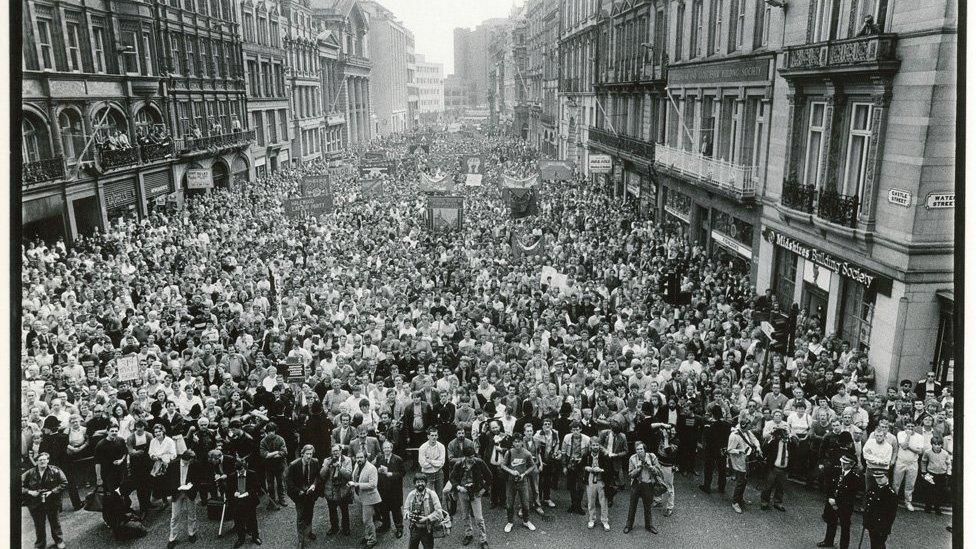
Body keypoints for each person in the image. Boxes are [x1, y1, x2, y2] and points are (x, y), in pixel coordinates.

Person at [22, 452, 68, 549]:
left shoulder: (55, 470)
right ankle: (40, 544)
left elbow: (64, 483)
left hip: (52, 501)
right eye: (40, 460)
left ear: (48, 460)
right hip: (35, 502)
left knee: (55, 522)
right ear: (37, 461)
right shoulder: (29, 472)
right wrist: (30, 492)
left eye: (44, 459)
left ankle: (59, 541)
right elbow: (17, 484)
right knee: (39, 525)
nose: (42, 461)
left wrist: (52, 491)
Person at [449, 445, 492, 549]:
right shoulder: (459, 464)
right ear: (465, 457)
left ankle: (483, 539)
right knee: (465, 516)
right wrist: (459, 487)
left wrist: (483, 490)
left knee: (479, 518)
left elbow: (489, 477)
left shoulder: (479, 462)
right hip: (463, 493)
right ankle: (468, 534)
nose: (471, 459)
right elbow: (452, 478)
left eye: (473, 456)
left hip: (475, 493)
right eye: (469, 457)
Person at [818, 455, 860, 549]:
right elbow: (830, 486)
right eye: (842, 462)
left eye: (845, 463)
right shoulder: (837, 472)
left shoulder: (854, 478)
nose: (843, 464)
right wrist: (830, 498)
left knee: (845, 527)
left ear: (852, 465)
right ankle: (828, 541)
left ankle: (843, 547)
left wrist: (836, 503)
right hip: (832, 502)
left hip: (844, 506)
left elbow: (850, 496)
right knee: (831, 522)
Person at [500, 435, 537, 533]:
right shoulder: (509, 452)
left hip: (523, 482)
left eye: (519, 441)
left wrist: (524, 474)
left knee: (525, 504)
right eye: (515, 442)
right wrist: (511, 472)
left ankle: (526, 521)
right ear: (512, 443)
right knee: (509, 504)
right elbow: (503, 465)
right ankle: (510, 522)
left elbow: (532, 466)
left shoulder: (527, 453)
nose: (517, 444)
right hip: (511, 482)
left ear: (522, 442)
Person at [285, 444, 320, 548]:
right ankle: (301, 540)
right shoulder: (294, 464)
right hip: (299, 495)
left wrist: (314, 485)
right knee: (300, 517)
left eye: (311, 454)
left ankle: (309, 532)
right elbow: (288, 480)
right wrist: (297, 491)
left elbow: (317, 476)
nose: (309, 456)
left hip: (310, 493)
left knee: (309, 513)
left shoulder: (315, 462)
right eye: (307, 454)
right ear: (302, 454)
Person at [727, 412, 762, 514]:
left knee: (744, 481)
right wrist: (740, 451)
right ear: (744, 426)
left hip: (747, 460)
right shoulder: (734, 435)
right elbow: (730, 450)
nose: (750, 429)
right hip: (739, 461)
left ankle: (740, 498)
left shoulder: (747, 431)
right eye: (748, 427)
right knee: (740, 482)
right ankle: (735, 502)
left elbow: (754, 440)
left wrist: (758, 447)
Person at [167, 449, 202, 549]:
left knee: (192, 514)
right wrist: (169, 493)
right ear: (184, 459)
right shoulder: (173, 465)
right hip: (177, 492)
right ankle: (172, 538)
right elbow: (168, 480)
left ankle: (192, 533)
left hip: (189, 492)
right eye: (190, 461)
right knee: (175, 516)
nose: (191, 463)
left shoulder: (195, 464)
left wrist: (193, 486)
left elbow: (198, 478)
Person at [624, 441, 661, 535]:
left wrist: (650, 466)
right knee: (632, 506)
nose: (639, 451)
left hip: (648, 484)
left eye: (641, 449)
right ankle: (629, 525)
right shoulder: (632, 458)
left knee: (648, 506)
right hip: (636, 484)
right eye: (637, 449)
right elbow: (630, 474)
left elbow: (658, 471)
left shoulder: (652, 456)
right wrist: (638, 468)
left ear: (644, 449)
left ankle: (649, 526)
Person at [227, 457, 262, 548]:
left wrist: (248, 492)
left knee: (252, 519)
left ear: (245, 467)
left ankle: (255, 536)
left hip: (249, 500)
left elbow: (257, 487)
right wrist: (234, 492)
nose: (240, 473)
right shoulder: (232, 476)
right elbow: (228, 490)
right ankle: (241, 538)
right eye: (238, 471)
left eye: (242, 470)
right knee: (238, 520)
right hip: (237, 501)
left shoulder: (252, 474)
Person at [374, 441, 406, 538]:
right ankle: (386, 525)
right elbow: (374, 468)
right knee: (384, 509)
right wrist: (377, 470)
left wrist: (392, 474)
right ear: (382, 449)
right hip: (382, 489)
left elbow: (403, 473)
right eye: (385, 448)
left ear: (391, 448)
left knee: (396, 510)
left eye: (388, 447)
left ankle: (399, 528)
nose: (386, 449)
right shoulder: (379, 457)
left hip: (394, 490)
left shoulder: (398, 459)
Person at [319, 443, 353, 536]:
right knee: (332, 510)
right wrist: (328, 465)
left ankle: (346, 528)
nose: (335, 453)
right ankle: (334, 527)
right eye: (333, 451)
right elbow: (321, 475)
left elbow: (349, 475)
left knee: (344, 510)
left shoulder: (347, 460)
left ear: (341, 451)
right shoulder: (327, 460)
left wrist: (340, 467)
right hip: (330, 490)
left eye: (337, 451)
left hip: (343, 490)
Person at [349, 451, 381, 548]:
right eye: (357, 457)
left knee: (367, 520)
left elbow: (373, 485)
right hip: (360, 496)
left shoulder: (371, 468)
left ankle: (372, 540)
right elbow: (355, 477)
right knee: (366, 519)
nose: (359, 459)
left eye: (361, 457)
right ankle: (368, 536)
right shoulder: (357, 465)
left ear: (366, 458)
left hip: (370, 497)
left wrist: (357, 484)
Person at [404, 473, 445, 549]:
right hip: (414, 528)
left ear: (426, 483)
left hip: (427, 528)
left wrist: (427, 518)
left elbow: (439, 511)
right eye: (418, 482)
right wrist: (408, 514)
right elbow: (406, 509)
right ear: (414, 484)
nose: (420, 484)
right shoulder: (411, 495)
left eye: (422, 481)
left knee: (428, 547)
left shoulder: (432, 494)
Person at [863, 471, 898, 548]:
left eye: (881, 478)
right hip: (872, 523)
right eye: (876, 478)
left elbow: (891, 515)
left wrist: (886, 529)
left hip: (881, 526)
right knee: (873, 543)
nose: (878, 480)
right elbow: (868, 507)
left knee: (880, 544)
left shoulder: (891, 494)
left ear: (887, 477)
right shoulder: (873, 489)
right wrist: (866, 521)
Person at [582, 438, 611, 531]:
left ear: (600, 446)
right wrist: (587, 468)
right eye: (593, 445)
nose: (595, 447)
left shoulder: (604, 456)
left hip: (601, 479)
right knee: (591, 500)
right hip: (590, 479)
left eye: (597, 445)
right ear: (590, 446)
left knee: (603, 501)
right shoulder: (586, 455)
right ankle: (591, 519)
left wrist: (601, 470)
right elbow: (581, 466)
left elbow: (610, 470)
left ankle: (605, 520)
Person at [260, 421, 289, 510]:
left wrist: (271, 454)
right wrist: (276, 453)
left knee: (280, 483)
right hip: (269, 466)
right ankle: (271, 501)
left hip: (279, 465)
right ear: (266, 432)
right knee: (270, 485)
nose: (271, 433)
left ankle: (282, 499)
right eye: (269, 431)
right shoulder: (263, 441)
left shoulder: (280, 439)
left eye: (272, 431)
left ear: (275, 431)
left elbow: (284, 452)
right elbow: (264, 454)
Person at [418, 427, 447, 497]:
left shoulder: (441, 446)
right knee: (427, 496)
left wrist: (430, 461)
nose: (434, 437)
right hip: (427, 474)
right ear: (428, 436)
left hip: (438, 473)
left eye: (435, 435)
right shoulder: (422, 447)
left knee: (439, 495)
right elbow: (423, 464)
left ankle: (438, 508)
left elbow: (441, 463)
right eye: (432, 435)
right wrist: (435, 462)